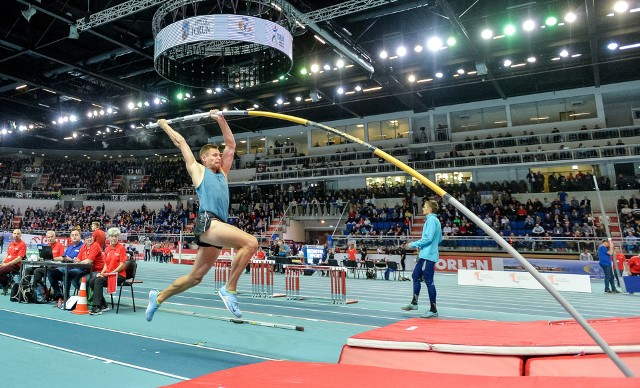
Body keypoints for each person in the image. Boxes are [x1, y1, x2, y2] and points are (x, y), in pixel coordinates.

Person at [146, 110, 258, 322]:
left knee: (195, 278)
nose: (219, 157)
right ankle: (229, 289)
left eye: (219, 155)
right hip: (209, 222)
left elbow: (231, 145)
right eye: (214, 155)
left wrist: (221, 119)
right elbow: (181, 142)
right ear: (204, 158)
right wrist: (163, 124)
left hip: (217, 227)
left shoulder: (223, 173)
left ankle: (158, 298)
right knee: (251, 243)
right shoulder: (197, 170)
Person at [402, 200, 442, 318]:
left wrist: (413, 244)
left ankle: (433, 309)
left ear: (430, 209)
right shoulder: (435, 221)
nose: (423, 208)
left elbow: (428, 239)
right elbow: (439, 239)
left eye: (424, 206)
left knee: (429, 281)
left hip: (428, 256)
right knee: (415, 276)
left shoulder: (431, 221)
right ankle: (414, 302)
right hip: (427, 254)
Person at [88, 227, 127, 315]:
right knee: (91, 281)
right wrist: (102, 273)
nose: (113, 238)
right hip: (109, 274)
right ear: (108, 238)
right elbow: (106, 264)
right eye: (112, 236)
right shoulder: (107, 249)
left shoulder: (121, 248)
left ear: (118, 237)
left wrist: (112, 273)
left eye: (115, 236)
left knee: (98, 281)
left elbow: (122, 265)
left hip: (119, 275)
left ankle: (96, 307)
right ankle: (104, 304)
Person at [47, 229, 84, 308]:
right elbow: (63, 257)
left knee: (66, 273)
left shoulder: (83, 246)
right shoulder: (70, 247)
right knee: (51, 273)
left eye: (76, 235)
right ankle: (59, 296)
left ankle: (66, 298)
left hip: (78, 269)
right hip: (66, 268)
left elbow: (80, 260)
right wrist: (52, 259)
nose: (74, 237)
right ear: (70, 237)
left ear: (80, 236)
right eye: (72, 235)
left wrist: (70, 259)